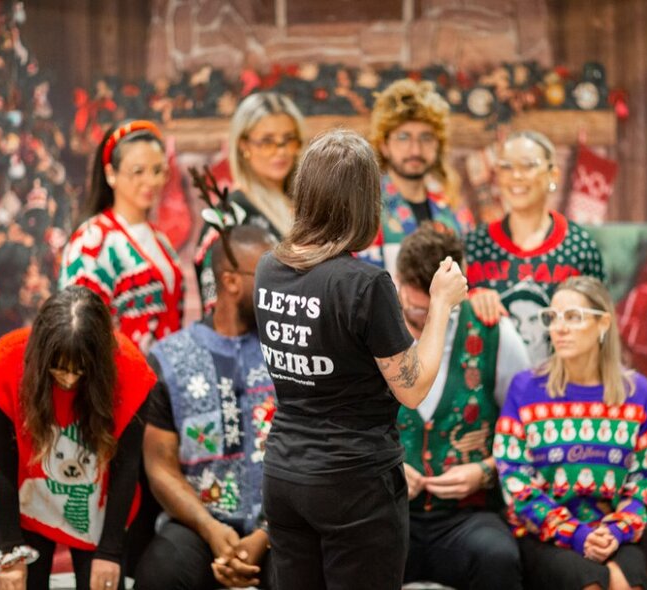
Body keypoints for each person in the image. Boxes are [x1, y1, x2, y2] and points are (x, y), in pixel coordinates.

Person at [253, 130, 468, 590]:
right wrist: (442, 305)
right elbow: (412, 388)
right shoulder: (364, 284)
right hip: (353, 483)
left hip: (285, 474)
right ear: (364, 202)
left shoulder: (269, 267)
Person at [494, 276, 647, 590]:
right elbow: (515, 480)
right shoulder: (526, 388)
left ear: (603, 324)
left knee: (626, 583)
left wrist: (615, 531)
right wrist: (576, 533)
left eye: (574, 317)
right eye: (553, 317)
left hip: (612, 532)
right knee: (592, 584)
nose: (558, 328)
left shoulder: (635, 391)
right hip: (543, 536)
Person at [0, 286, 155, 590]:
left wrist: (110, 551)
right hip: (28, 501)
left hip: (94, 504)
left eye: (80, 372)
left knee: (102, 582)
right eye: (58, 370)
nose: (69, 380)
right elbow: (1, 465)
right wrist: (10, 552)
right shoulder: (3, 365)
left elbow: (127, 469)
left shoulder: (131, 371)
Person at [136, 224, 277, 590]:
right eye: (268, 274)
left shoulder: (289, 353)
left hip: (279, 529)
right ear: (230, 282)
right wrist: (210, 528)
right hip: (199, 524)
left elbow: (314, 454)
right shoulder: (170, 358)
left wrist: (264, 535)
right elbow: (159, 466)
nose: (279, 286)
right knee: (162, 571)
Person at [394, 225, 530, 590]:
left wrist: (486, 471)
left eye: (438, 310)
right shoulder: (375, 330)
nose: (423, 324)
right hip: (390, 515)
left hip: (466, 517)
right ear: (397, 282)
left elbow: (526, 430)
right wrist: (383, 468)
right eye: (415, 310)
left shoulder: (495, 332)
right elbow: (350, 427)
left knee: (498, 557)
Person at [465, 131, 605, 364]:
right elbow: (449, 320)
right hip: (487, 387)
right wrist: (470, 300)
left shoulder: (580, 246)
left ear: (553, 174)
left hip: (558, 388)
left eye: (528, 166)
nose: (516, 176)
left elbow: (600, 327)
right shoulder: (474, 245)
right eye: (506, 167)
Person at [60, 120, 184, 354]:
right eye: (138, 171)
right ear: (110, 173)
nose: (151, 181)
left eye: (158, 171)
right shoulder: (93, 241)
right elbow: (78, 331)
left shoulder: (161, 239)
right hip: (120, 383)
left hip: (166, 383)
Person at [195, 92, 305, 311]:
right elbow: (216, 306)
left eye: (288, 139)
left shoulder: (306, 207)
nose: (280, 151)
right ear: (244, 145)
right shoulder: (228, 215)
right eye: (267, 141)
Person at [358, 78, 471, 275]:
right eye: (403, 137)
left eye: (426, 137)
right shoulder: (365, 208)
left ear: (438, 144)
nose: (415, 149)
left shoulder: (452, 209)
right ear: (384, 145)